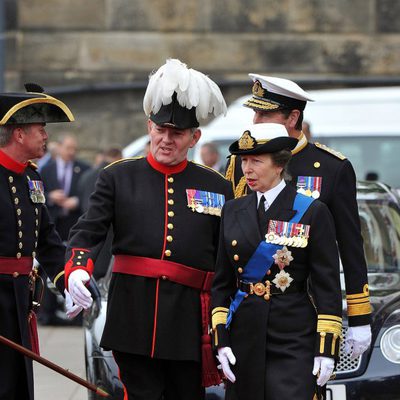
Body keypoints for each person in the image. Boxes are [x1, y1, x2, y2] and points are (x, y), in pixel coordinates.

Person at [65, 59, 233, 400]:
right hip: (133, 315)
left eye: (177, 133)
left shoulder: (216, 185)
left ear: (194, 137)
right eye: (160, 130)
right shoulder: (117, 176)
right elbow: (89, 230)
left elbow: (227, 256)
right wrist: (77, 268)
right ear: (149, 127)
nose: (166, 140)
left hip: (190, 321)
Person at [225, 74, 372, 359]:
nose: (255, 121)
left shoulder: (331, 168)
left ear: (293, 117)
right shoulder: (238, 162)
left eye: (265, 114)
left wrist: (359, 316)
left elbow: (351, 247)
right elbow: (228, 234)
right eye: (255, 113)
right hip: (248, 305)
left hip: (306, 306)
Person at [212, 123, 342, 399]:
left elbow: (326, 285)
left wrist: (326, 349)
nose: (247, 169)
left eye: (256, 161)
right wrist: (221, 341)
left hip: (293, 334)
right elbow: (222, 283)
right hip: (244, 334)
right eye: (244, 160)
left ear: (279, 164)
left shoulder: (312, 211)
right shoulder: (232, 210)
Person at [0, 83, 79, 400]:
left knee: (18, 383)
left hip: (19, 298)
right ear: (19, 134)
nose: (46, 136)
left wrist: (68, 281)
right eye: (40, 128)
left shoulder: (32, 176)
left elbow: (47, 240)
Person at [77, 147, 123, 280]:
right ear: (117, 158)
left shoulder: (88, 174)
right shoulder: (112, 175)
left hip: (88, 238)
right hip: (107, 238)